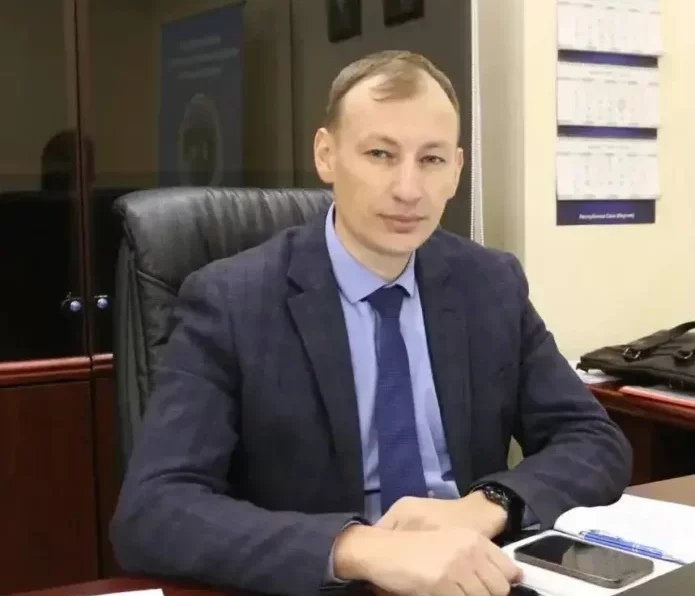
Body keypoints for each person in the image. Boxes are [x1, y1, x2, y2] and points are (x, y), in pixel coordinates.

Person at [110, 50, 632, 596]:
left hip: (470, 579)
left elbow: (594, 441)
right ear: (326, 155)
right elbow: (153, 510)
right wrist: (362, 549)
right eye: (381, 154)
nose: (408, 189)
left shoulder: (489, 284)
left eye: (431, 160)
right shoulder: (231, 301)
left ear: (456, 170)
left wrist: (486, 505)